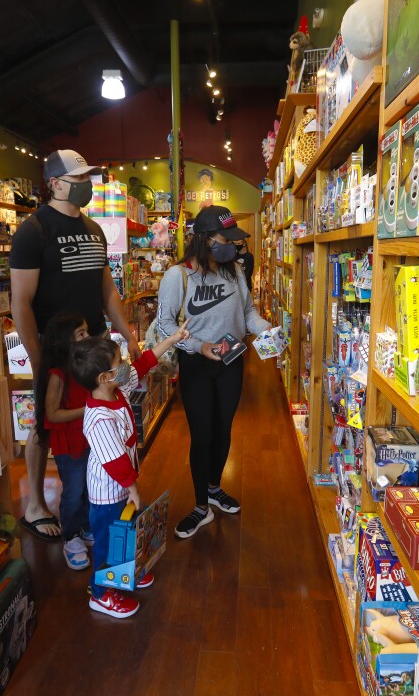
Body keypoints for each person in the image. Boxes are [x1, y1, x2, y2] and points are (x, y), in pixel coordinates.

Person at [10, 149, 141, 540]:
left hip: (94, 341)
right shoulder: (33, 231)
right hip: (55, 346)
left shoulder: (94, 229)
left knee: (94, 419)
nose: (86, 185)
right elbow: (21, 302)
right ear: (54, 183)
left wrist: (128, 335)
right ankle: (36, 503)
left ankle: (86, 505)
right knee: (45, 424)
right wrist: (39, 358)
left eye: (87, 178)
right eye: (78, 179)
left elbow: (108, 291)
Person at [156, 206, 273, 539]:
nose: (233, 247)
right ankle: (199, 506)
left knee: (224, 430)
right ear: (206, 240)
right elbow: (165, 324)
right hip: (196, 364)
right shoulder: (178, 275)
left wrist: (267, 331)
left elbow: (248, 313)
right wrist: (198, 346)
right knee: (203, 434)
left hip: (231, 359)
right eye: (226, 240)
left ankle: (213, 488)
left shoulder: (234, 270)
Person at [68, 325, 189, 618]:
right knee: (109, 539)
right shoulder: (98, 417)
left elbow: (144, 363)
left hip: (122, 485)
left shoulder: (116, 388)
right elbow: (115, 462)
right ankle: (101, 594)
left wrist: (172, 340)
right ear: (103, 378)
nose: (124, 365)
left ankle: (123, 573)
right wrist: (134, 490)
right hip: (109, 492)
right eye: (118, 363)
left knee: (126, 530)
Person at [40, 311, 92, 570]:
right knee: (73, 492)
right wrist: (88, 409)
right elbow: (52, 413)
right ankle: (70, 536)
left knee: (88, 487)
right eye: (81, 334)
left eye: (86, 331)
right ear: (64, 341)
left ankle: (83, 526)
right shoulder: (58, 374)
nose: (87, 337)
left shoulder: (82, 365)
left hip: (87, 438)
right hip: (69, 445)